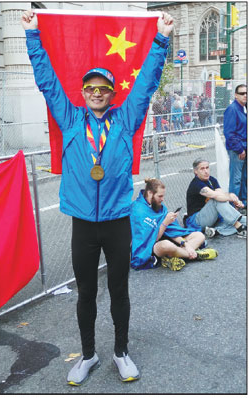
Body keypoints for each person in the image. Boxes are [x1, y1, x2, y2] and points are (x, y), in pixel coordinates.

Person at [22, 10, 174, 385]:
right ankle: (88, 355)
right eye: (90, 88)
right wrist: (31, 35)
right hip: (83, 226)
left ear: (111, 93)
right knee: (86, 293)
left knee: (119, 291)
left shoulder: (125, 120)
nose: (96, 93)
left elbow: (147, 86)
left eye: (103, 89)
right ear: (84, 93)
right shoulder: (70, 119)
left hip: (117, 222)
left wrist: (161, 40)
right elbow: (46, 82)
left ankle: (121, 352)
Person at [130, 178, 217, 272]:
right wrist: (165, 222)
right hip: (152, 247)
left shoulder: (158, 205)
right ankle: (194, 255)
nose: (162, 199)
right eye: (160, 196)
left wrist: (185, 244)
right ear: (150, 193)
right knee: (166, 245)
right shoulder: (138, 210)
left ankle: (176, 256)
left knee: (199, 235)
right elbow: (151, 239)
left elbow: (171, 231)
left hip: (169, 239)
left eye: (163, 196)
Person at [185, 158, 246, 238]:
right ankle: (239, 227)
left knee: (245, 221)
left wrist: (233, 198)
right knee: (215, 199)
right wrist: (230, 197)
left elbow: (222, 194)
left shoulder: (212, 180)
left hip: (213, 217)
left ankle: (216, 231)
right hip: (197, 220)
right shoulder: (196, 184)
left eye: (207, 167)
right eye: (202, 169)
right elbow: (215, 196)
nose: (206, 171)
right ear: (195, 171)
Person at [223, 84, 247, 208]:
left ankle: (243, 203)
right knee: (236, 180)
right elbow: (229, 133)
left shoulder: (244, 108)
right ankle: (233, 206)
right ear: (236, 95)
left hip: (244, 147)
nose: (245, 95)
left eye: (246, 93)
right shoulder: (232, 109)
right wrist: (239, 149)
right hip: (238, 150)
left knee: (244, 178)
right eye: (242, 93)